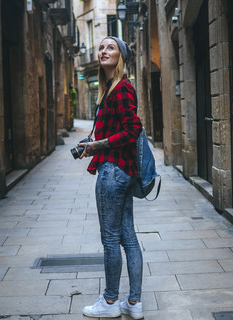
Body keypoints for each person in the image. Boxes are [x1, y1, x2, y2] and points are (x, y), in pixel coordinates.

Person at [78, 36, 144, 319]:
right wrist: (90, 145)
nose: (104, 51)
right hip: (121, 171)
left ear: (121, 56)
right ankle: (134, 304)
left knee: (111, 239)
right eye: (102, 47)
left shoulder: (122, 89)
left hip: (113, 171)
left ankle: (110, 301)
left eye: (111, 47)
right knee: (127, 237)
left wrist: (98, 145)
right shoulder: (110, 90)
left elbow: (133, 130)